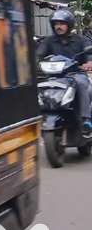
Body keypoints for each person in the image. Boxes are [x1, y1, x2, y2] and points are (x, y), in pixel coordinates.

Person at [38, 8, 92, 136]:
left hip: (75, 74)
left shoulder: (80, 40)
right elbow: (38, 54)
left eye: (62, 24)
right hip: (53, 76)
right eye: (56, 24)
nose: (58, 26)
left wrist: (89, 63)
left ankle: (86, 119)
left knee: (82, 84)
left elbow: (89, 53)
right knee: (38, 86)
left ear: (69, 25)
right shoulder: (48, 41)